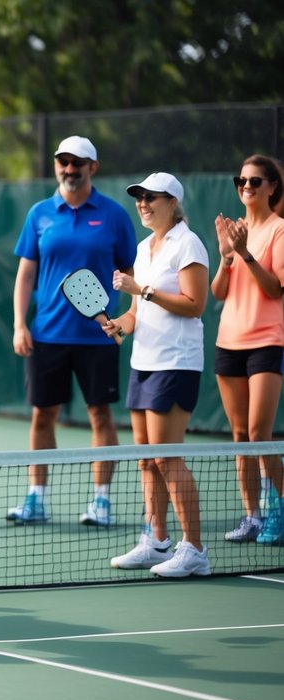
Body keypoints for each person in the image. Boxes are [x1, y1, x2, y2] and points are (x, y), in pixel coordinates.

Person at [8, 136, 136, 526]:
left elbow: (130, 271)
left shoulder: (114, 215)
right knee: (42, 416)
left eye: (77, 163)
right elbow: (26, 274)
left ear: (92, 167)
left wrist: (127, 315)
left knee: (100, 415)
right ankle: (36, 499)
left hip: (98, 337)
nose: (69, 169)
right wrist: (19, 324)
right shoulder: (39, 214)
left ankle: (101, 501)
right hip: (47, 335)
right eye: (63, 162)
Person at [102, 173, 211, 576]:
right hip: (143, 362)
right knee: (147, 459)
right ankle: (156, 541)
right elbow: (137, 311)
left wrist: (142, 290)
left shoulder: (189, 243)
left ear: (172, 202)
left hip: (176, 362)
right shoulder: (143, 247)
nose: (143, 203)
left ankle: (194, 549)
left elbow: (195, 303)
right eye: (139, 197)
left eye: (151, 197)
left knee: (167, 457)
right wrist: (121, 324)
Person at [213, 155, 284, 545]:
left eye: (255, 181)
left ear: (272, 187)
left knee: (260, 433)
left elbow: (274, 289)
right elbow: (217, 292)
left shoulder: (279, 230)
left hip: (266, 342)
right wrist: (226, 256)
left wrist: (245, 254)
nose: (246, 187)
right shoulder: (235, 232)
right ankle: (252, 516)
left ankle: (281, 509)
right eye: (241, 180)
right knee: (240, 435)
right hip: (228, 343)